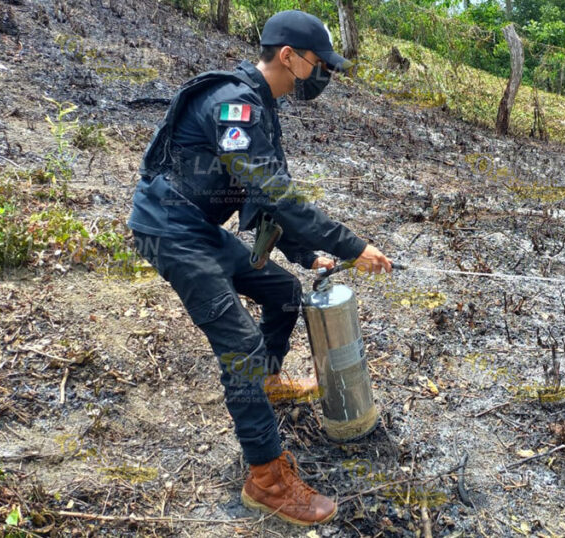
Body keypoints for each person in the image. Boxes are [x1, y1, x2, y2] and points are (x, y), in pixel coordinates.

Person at [127, 10, 391, 526]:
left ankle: (266, 382)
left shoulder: (258, 105)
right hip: (171, 232)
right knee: (240, 346)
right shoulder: (233, 105)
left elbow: (260, 195)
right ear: (289, 56)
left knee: (283, 291)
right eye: (319, 65)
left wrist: (304, 253)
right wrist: (354, 244)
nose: (323, 77)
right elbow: (275, 192)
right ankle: (265, 479)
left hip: (199, 228)